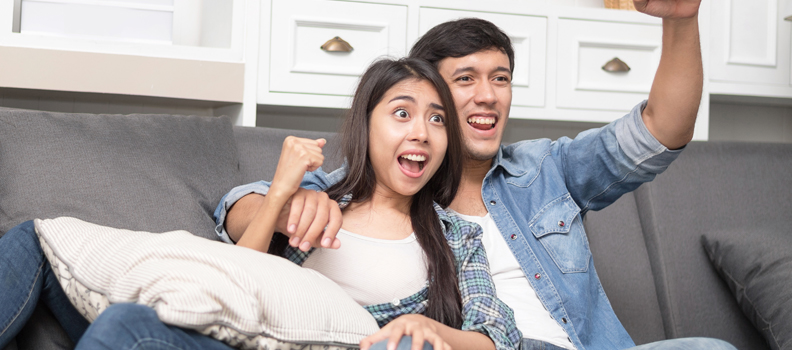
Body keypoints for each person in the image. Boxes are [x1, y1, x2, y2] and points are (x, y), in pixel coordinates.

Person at [220, 1, 735, 350]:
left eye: (501, 79)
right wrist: (288, 205)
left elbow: (659, 132)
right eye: (464, 80)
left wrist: (683, 20)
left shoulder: (546, 169)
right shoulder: (373, 189)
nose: (488, 95)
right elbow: (241, 211)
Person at [69, 58, 520, 350]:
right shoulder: (319, 206)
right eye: (402, 113)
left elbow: (499, 334)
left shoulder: (456, 236)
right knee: (119, 320)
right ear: (366, 127)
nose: (421, 131)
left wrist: (431, 330)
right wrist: (281, 192)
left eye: (436, 119)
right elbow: (234, 284)